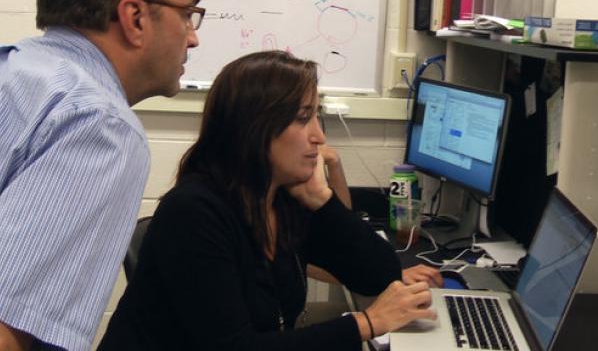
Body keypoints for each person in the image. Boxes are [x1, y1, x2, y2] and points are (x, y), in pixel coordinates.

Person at [99, 50, 442, 350]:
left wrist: (323, 200)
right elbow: (236, 348)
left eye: (317, 116)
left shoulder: (281, 199)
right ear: (257, 129)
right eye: (303, 118)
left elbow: (379, 275)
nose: (319, 136)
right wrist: (365, 324)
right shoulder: (193, 212)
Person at [0, 0, 206, 349]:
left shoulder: (14, 71)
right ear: (134, 18)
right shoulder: (100, 126)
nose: (193, 35)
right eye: (187, 13)